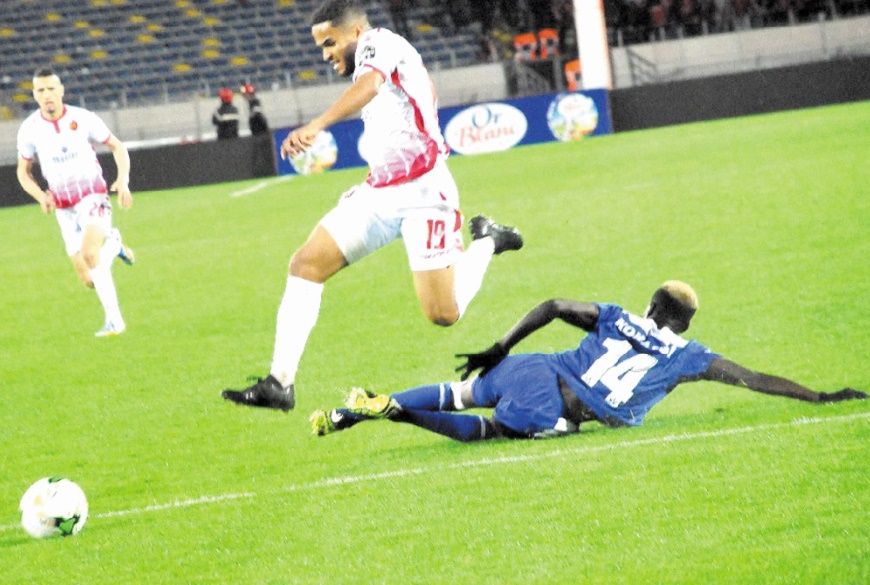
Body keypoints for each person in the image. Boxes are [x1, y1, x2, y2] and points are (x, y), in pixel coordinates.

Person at [221, 0, 523, 412]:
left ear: (356, 33)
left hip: (423, 195)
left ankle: (488, 240)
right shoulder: (368, 55)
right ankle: (280, 383)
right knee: (306, 264)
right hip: (379, 192)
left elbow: (367, 88)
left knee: (443, 313)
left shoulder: (382, 42)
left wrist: (315, 125)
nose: (325, 54)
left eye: (329, 43)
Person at [310, 280, 867, 440]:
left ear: (652, 306)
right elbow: (751, 379)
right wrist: (820, 396)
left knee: (459, 392)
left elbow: (554, 304)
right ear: (687, 323)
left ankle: (353, 413)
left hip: (531, 364)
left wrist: (500, 347)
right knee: (482, 433)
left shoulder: (618, 315)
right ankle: (395, 414)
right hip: (560, 405)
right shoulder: (691, 356)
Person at [16, 67, 135, 337]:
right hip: (63, 207)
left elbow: (118, 147)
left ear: (61, 91)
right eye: (40, 91)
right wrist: (39, 195)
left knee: (91, 253)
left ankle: (115, 322)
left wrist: (123, 181)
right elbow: (23, 172)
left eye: (50, 89)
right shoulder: (30, 130)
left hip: (92, 195)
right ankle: (114, 244)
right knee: (88, 279)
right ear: (34, 95)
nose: (46, 95)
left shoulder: (83, 119)